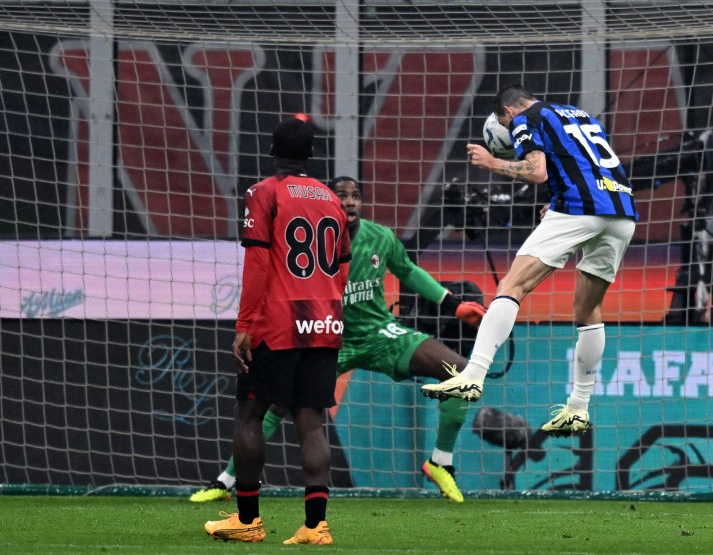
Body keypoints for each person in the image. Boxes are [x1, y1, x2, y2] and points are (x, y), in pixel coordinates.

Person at [192, 175, 487, 505]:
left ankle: (440, 462)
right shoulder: (310, 243)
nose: (350, 202)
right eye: (342, 196)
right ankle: (226, 480)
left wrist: (454, 304)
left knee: (462, 373)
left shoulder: (381, 237)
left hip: (379, 334)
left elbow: (408, 271)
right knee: (277, 403)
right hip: (331, 339)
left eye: (356, 196)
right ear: (328, 202)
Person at [421, 83, 639, 436]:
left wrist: (494, 162)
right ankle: (578, 409)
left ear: (506, 112)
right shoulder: (578, 114)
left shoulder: (523, 119)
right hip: (622, 212)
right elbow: (583, 161)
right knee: (588, 310)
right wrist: (556, 198)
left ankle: (472, 376)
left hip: (580, 210)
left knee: (512, 286)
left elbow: (536, 170)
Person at [203, 117, 351, 545]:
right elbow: (341, 268)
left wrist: (245, 324)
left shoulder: (263, 192)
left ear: (272, 151)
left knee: (250, 415)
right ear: (311, 155)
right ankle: (315, 526)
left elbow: (259, 263)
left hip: (278, 322)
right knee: (311, 422)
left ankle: (247, 521)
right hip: (325, 320)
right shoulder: (331, 199)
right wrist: (324, 307)